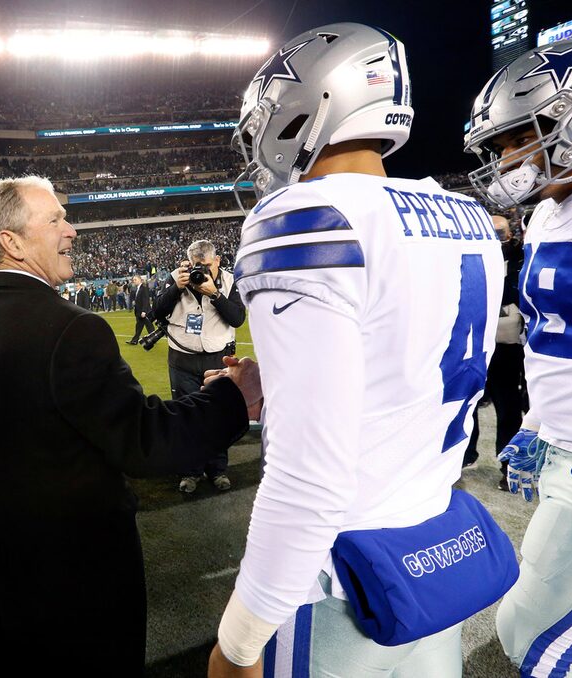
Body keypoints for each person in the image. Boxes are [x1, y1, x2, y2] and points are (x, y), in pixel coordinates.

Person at [208, 23, 517, 678]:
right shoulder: (465, 216)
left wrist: (238, 642)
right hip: (431, 555)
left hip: (339, 575)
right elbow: (396, 360)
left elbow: (308, 475)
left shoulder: (300, 218)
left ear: (308, 105)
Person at [0, 176, 259, 675]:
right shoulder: (72, 326)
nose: (72, 230)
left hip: (0, 568)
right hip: (75, 581)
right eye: (56, 219)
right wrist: (232, 396)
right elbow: (147, 443)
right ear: (12, 242)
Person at [464, 38, 572, 677]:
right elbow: (561, 339)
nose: (508, 158)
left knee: (538, 638)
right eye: (501, 146)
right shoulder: (546, 214)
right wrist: (538, 426)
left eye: (520, 136)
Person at [154, 240, 245, 493]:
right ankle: (190, 472)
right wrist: (176, 288)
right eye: (197, 265)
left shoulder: (228, 281)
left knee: (219, 416)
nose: (201, 271)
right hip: (182, 359)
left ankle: (217, 470)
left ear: (217, 261)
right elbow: (156, 311)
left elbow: (237, 318)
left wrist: (214, 294)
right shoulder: (177, 277)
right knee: (186, 417)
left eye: (206, 265)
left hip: (218, 359)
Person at [462, 215, 526, 490]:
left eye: (499, 233)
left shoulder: (520, 258)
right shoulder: (469, 255)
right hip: (475, 341)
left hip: (507, 347)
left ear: (509, 235)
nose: (495, 238)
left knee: (508, 407)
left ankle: (508, 465)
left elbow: (518, 293)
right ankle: (465, 454)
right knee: (468, 402)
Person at [125, 274, 154, 345]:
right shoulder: (137, 288)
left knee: (148, 325)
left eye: (135, 280)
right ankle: (135, 340)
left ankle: (152, 338)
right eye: (133, 280)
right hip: (139, 312)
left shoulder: (144, 288)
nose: (134, 281)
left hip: (144, 311)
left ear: (140, 280)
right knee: (140, 326)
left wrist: (144, 311)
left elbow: (146, 300)